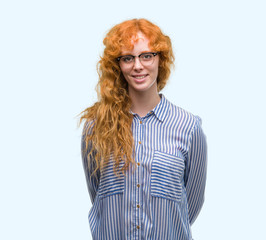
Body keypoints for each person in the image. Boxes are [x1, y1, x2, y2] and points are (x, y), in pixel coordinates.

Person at [79, 18, 207, 240]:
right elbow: (98, 195)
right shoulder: (96, 126)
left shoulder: (188, 127)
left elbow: (189, 207)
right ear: (117, 65)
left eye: (147, 55)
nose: (138, 65)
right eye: (128, 58)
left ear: (160, 59)